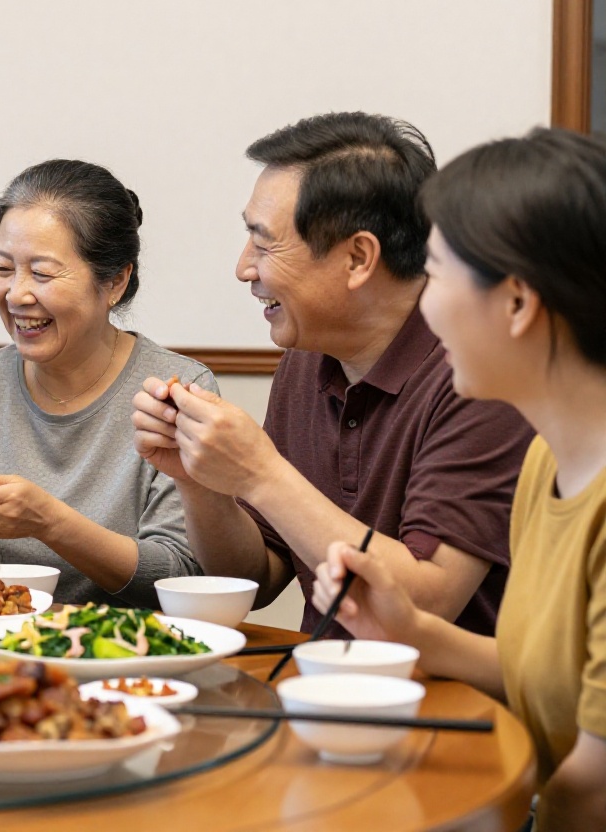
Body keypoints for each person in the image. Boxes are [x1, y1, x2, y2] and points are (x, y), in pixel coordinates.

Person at [131, 112, 532, 634]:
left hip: (450, 704)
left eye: (264, 241)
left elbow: (427, 603)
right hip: (322, 684)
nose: (243, 267)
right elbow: (256, 576)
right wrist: (200, 483)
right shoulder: (305, 359)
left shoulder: (478, 374)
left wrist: (261, 474)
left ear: (358, 257)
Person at [312, 128, 606, 829]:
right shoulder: (548, 460)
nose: (424, 305)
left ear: (516, 303)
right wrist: (411, 629)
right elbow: (549, 673)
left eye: (436, 273)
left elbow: (591, 790)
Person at [0, 159, 210, 607]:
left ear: (114, 280)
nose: (16, 294)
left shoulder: (175, 392)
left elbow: (180, 574)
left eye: (42, 273)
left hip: (128, 658)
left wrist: (49, 521)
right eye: (3, 268)